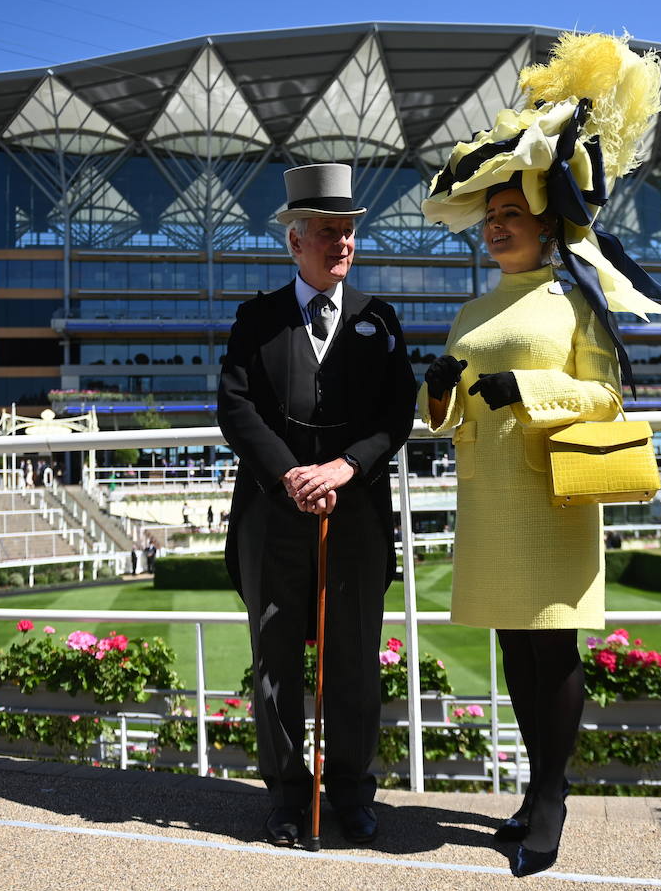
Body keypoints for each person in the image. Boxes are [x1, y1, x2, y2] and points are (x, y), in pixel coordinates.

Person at [416, 32, 661, 878]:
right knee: (512, 652)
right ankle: (534, 795)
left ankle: (554, 796)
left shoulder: (576, 301)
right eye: (490, 218)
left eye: (511, 216)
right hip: (489, 500)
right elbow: (439, 423)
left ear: (545, 224)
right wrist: (437, 392)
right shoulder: (468, 312)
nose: (497, 227)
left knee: (552, 651)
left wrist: (526, 395)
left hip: (553, 495)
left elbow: (606, 398)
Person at [217, 162, 416, 849]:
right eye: (329, 232)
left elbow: (398, 415)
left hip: (355, 516)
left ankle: (354, 796)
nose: (343, 244)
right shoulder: (256, 320)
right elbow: (236, 410)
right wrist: (292, 476)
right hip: (273, 516)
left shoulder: (380, 320)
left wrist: (343, 466)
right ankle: (285, 798)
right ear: (295, 241)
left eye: (349, 232)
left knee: (355, 658)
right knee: (274, 660)